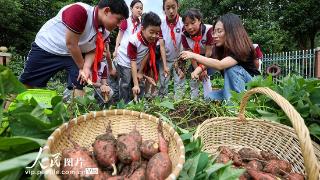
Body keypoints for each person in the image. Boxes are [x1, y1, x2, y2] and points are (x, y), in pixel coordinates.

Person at [19, 0, 129, 97]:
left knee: (80, 81)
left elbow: (92, 50)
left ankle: (78, 116)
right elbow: (71, 43)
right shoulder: (80, 11)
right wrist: (81, 66)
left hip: (72, 54)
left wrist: (86, 68)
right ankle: (7, 113)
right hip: (48, 47)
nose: (119, 25)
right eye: (119, 20)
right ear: (106, 11)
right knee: (28, 82)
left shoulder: (105, 31)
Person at [180, 13, 260, 101]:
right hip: (236, 89)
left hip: (251, 88)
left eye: (219, 31)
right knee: (209, 97)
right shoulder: (220, 49)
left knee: (231, 69)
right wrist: (197, 70)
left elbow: (220, 65)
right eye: (214, 32)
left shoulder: (241, 47)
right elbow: (210, 62)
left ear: (232, 32)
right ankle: (230, 100)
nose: (214, 35)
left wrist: (193, 55)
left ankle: (234, 108)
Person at [115, 12, 162, 103]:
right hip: (124, 61)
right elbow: (132, 62)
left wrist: (140, 72)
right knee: (126, 82)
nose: (154, 36)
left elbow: (147, 54)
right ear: (143, 29)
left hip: (136, 62)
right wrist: (135, 84)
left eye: (157, 33)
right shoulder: (134, 41)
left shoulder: (153, 39)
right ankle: (124, 104)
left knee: (140, 81)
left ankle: (139, 103)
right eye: (151, 32)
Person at [180, 8, 214, 100]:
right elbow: (190, 55)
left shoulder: (208, 30)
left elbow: (209, 52)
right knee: (194, 77)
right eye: (186, 25)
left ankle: (208, 100)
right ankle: (193, 100)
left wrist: (203, 68)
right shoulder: (184, 35)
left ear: (199, 20)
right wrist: (197, 70)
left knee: (206, 77)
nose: (190, 27)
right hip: (194, 56)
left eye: (193, 22)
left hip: (209, 55)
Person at [157, 0, 185, 99]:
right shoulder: (161, 24)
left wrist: (179, 63)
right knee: (163, 83)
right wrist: (165, 65)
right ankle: (161, 104)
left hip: (180, 59)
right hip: (165, 59)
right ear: (164, 9)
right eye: (168, 8)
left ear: (178, 6)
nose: (171, 11)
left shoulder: (183, 23)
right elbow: (162, 46)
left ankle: (179, 104)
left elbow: (184, 44)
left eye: (173, 7)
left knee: (180, 83)